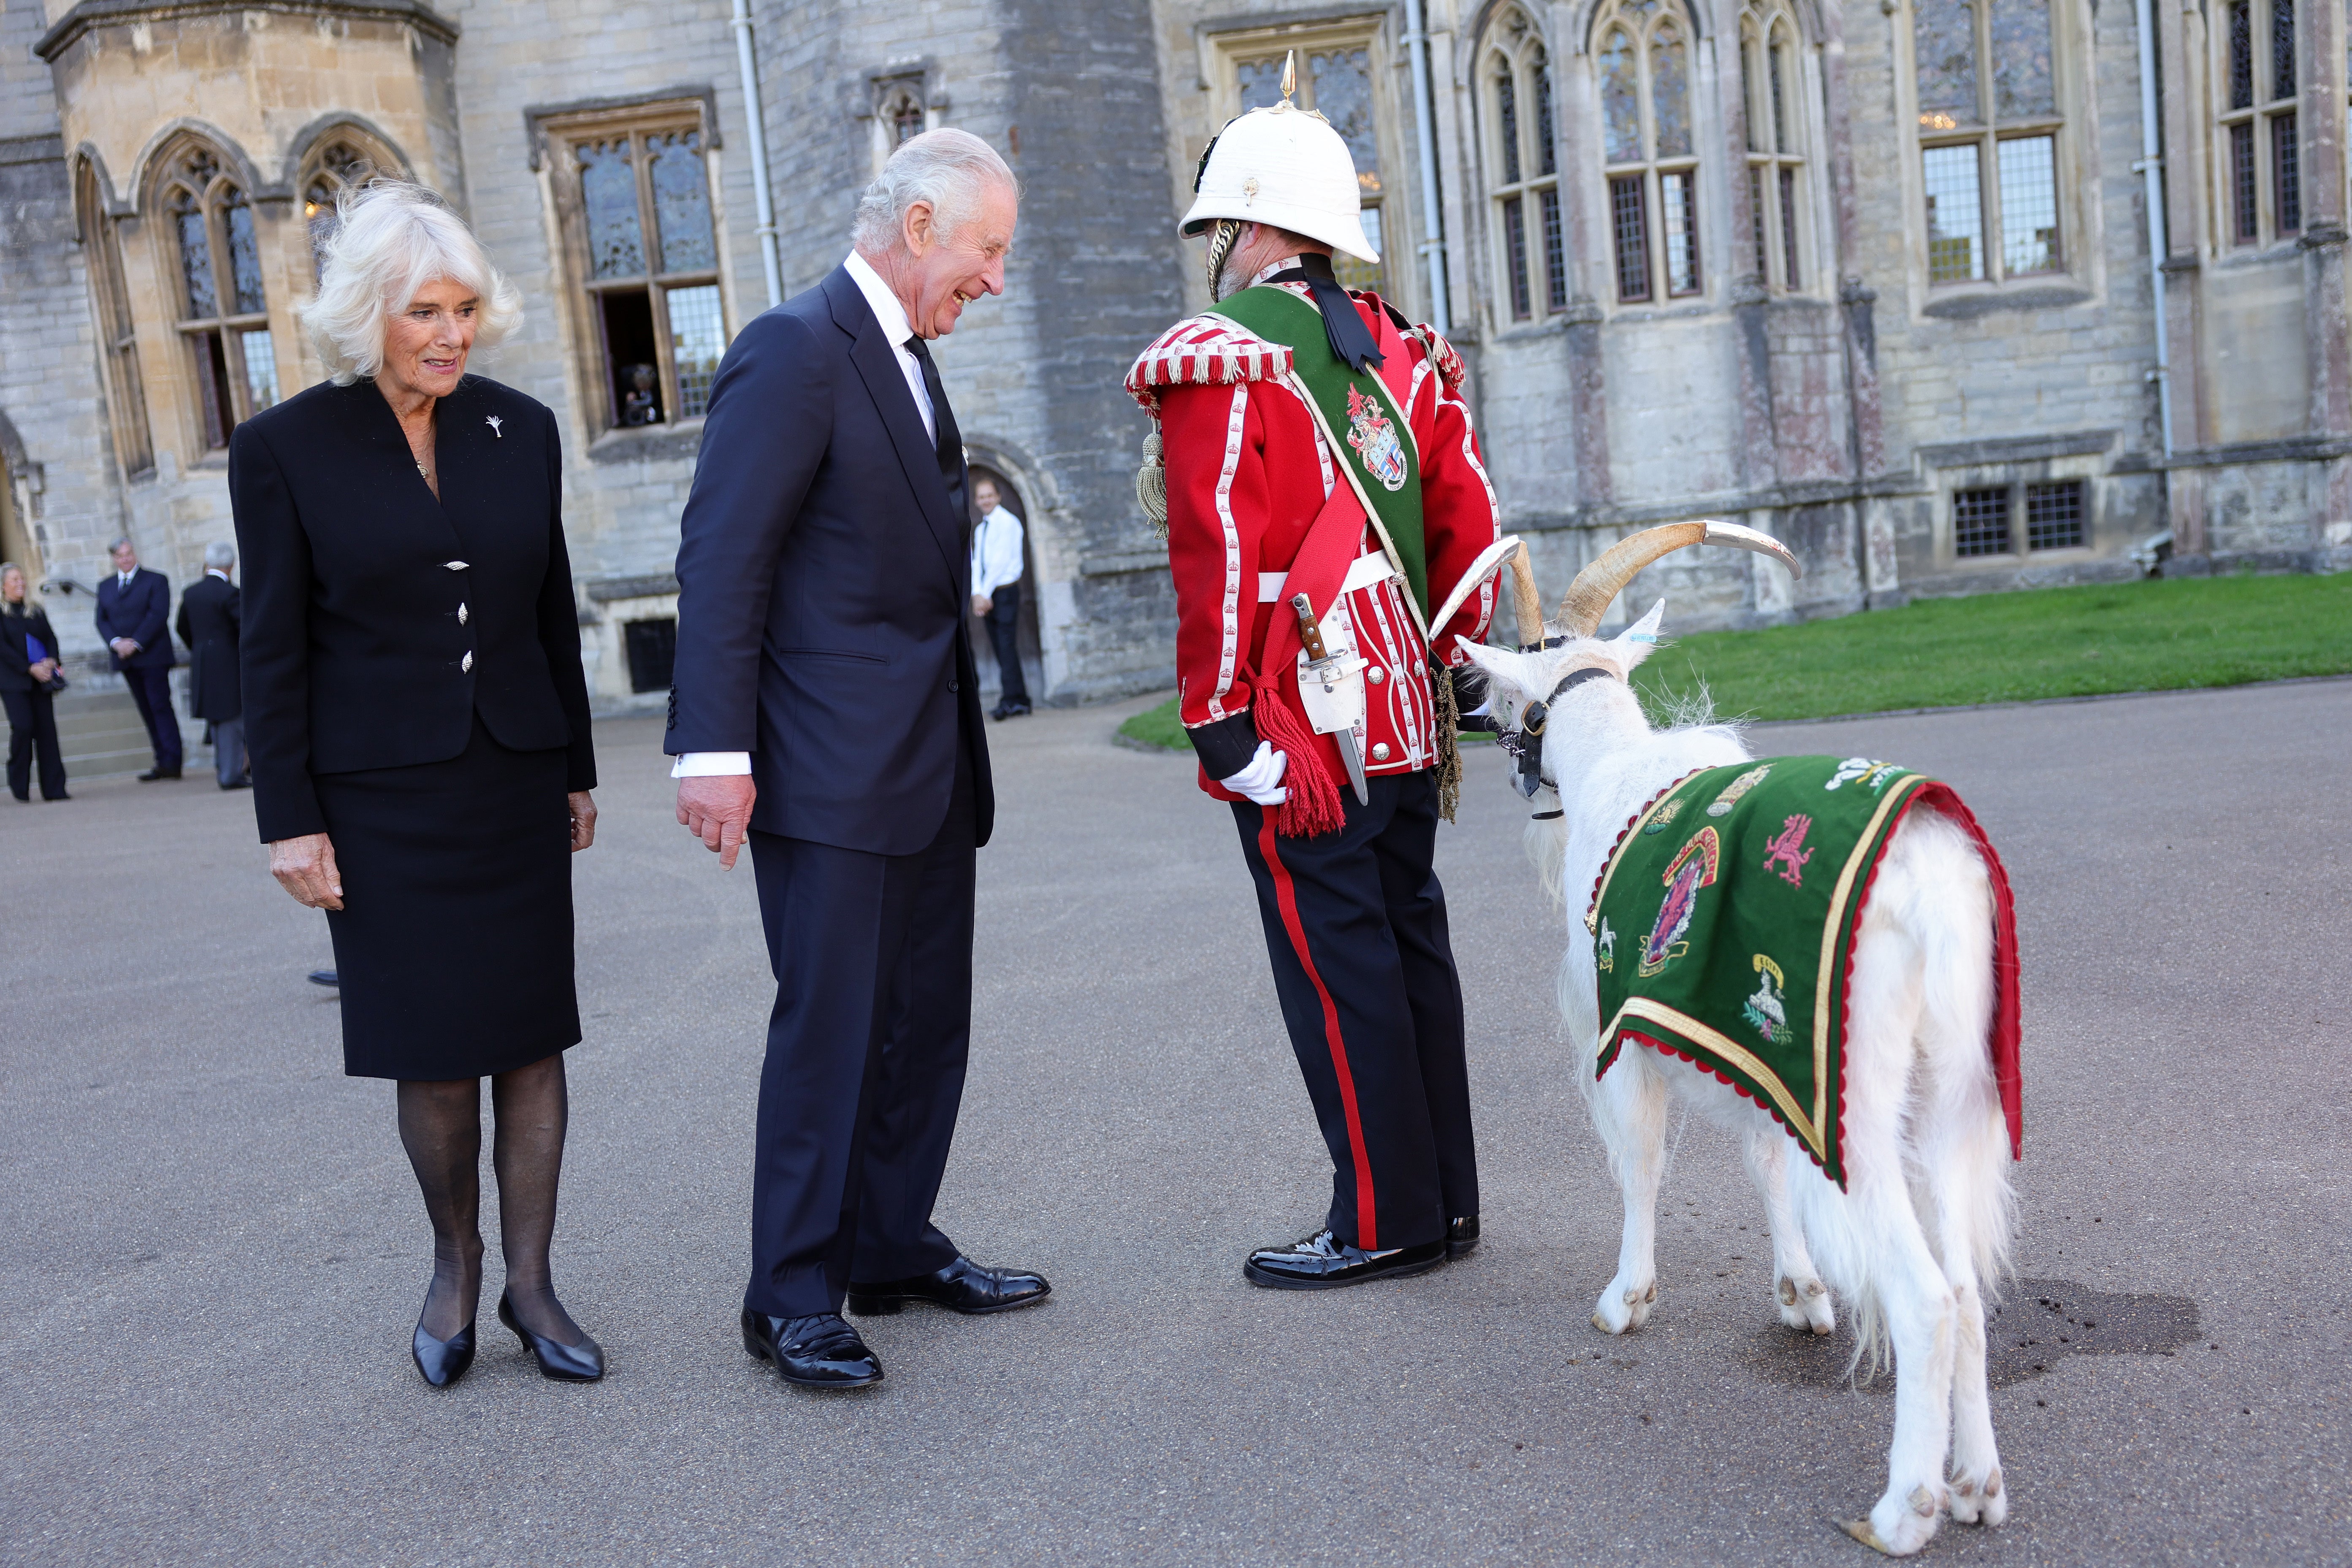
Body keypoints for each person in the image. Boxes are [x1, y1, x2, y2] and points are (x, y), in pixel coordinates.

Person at [667, 129, 1048, 1392]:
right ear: (924, 226)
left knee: (923, 1022)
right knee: (832, 1030)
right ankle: (788, 1295)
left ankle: (889, 1239)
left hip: (929, 765)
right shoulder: (794, 347)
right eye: (989, 250)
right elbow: (726, 558)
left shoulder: (908, 355)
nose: (995, 278)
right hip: (829, 771)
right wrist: (712, 750)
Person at [1124, 68, 1504, 1289]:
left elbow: (1219, 552)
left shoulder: (1227, 354)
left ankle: (1381, 1217)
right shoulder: (1400, 345)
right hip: (1399, 699)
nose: (1213, 252)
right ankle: (1440, 1200)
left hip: (1302, 705)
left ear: (1252, 224)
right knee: (1405, 936)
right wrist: (1447, 665)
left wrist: (1219, 721)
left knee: (1334, 958)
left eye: (1218, 229)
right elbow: (1466, 523)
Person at [231, 179, 606, 1389]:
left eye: (463, 310)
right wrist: (287, 817)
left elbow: (549, 610)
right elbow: (272, 646)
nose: (450, 334)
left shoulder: (522, 427)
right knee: (434, 1052)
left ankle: (533, 1287)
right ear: (366, 316)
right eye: (423, 313)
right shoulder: (284, 448)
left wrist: (578, 771)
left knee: (533, 1043)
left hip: (511, 777)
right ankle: (454, 1267)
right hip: (381, 800)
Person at [95, 537, 182, 781]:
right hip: (125, 659)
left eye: (129, 553)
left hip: (152, 656)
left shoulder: (156, 580)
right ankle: (161, 760)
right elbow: (101, 620)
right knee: (146, 709)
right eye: (121, 555)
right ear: (114, 558)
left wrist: (134, 643)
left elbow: (158, 614)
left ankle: (173, 761)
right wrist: (116, 643)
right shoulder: (106, 586)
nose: (126, 558)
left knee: (160, 706)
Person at [176, 541, 249, 790]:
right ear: (231, 566)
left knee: (218, 722)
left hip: (203, 663)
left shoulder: (191, 592)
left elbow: (181, 628)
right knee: (233, 720)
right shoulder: (230, 594)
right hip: (229, 664)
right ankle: (230, 774)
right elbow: (245, 632)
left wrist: (200, 650)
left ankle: (226, 768)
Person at [0, 562, 69, 802]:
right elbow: (3, 649)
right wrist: (29, 668)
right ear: (3, 586)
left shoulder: (35, 610)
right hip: (13, 682)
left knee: (47, 732)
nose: (21, 583)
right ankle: (19, 783)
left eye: (22, 579)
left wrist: (51, 660)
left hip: (42, 680)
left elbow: (50, 637)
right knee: (23, 726)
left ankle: (55, 789)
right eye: (14, 580)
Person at [969, 475, 1030, 719]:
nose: (985, 500)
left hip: (1004, 592)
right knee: (999, 646)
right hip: (987, 593)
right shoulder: (982, 528)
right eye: (981, 497)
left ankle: (1013, 700)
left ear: (998, 496)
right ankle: (1019, 698)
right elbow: (976, 562)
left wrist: (984, 593)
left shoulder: (1008, 522)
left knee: (1006, 646)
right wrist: (977, 594)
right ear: (976, 500)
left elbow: (999, 562)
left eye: (989, 495)